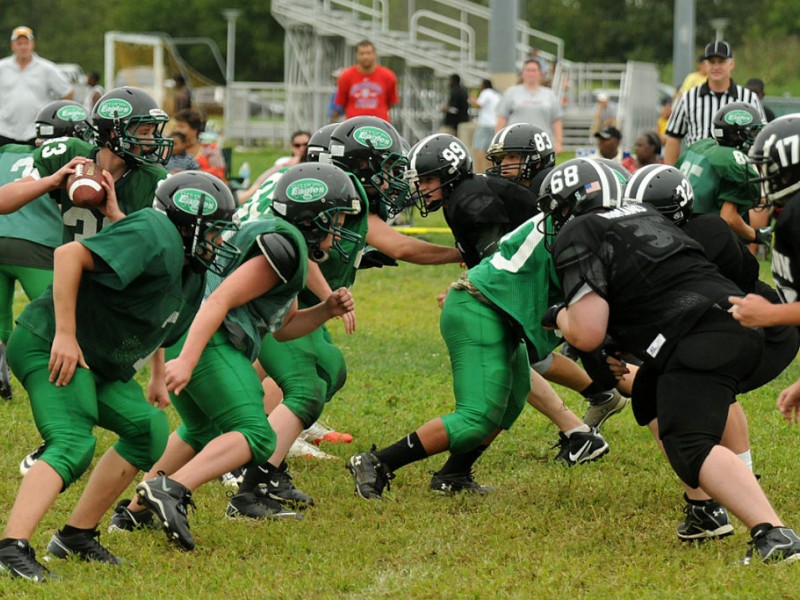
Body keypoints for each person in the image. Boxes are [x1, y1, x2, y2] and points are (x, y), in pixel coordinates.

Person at [539, 157, 800, 564]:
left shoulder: (581, 229)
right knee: (649, 394)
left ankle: (774, 533)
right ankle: (703, 512)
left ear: (569, 205)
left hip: (700, 335)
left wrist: (557, 316)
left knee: (691, 442)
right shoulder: (646, 215)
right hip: (725, 323)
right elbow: (653, 289)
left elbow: (587, 330)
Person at [0, 168, 238, 582]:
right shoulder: (154, 230)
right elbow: (68, 255)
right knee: (72, 442)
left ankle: (76, 535)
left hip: (97, 361)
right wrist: (66, 334)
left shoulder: (188, 269)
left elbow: (157, 321)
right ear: (189, 226)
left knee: (149, 430)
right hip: (50, 343)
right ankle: (10, 548)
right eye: (214, 231)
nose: (220, 242)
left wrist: (158, 376)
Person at [111, 163, 357, 551]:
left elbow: (283, 326)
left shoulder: (281, 240)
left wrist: (325, 309)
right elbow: (222, 300)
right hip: (207, 340)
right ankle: (171, 489)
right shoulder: (286, 246)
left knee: (200, 431)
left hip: (191, 335)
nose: (340, 229)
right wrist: (190, 359)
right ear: (314, 217)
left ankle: (135, 511)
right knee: (256, 435)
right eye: (337, 218)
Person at [399, 132, 612, 478]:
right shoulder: (464, 196)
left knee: (520, 367)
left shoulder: (469, 200)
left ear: (449, 173)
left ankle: (596, 407)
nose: (421, 189)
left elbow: (502, 262)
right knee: (518, 371)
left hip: (542, 275)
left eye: (428, 179)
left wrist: (476, 290)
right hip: (531, 275)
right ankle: (587, 415)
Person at [622, 164, 798, 541]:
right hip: (709, 328)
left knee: (708, 381)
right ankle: (704, 505)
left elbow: (733, 283)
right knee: (649, 395)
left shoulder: (706, 232)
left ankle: (741, 490)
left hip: (757, 325)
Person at [4, 87, 174, 475]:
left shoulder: (153, 181)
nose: (151, 141)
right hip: (69, 287)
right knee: (71, 402)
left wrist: (116, 215)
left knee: (121, 406)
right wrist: (51, 183)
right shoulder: (66, 154)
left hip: (117, 302)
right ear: (112, 133)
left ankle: (63, 434)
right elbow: (3, 199)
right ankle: (60, 437)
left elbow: (158, 272)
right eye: (143, 131)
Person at [0, 100, 91, 402]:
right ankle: (61, 386)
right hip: (37, 246)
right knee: (59, 322)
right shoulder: (77, 161)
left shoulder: (8, 152)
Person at [675, 102, 767, 245]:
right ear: (736, 135)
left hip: (678, 227)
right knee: (747, 263)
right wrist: (754, 235)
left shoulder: (701, 145)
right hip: (704, 235)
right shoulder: (732, 161)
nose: (756, 138)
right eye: (752, 132)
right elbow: (728, 217)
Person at [664, 41, 763, 165]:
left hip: (737, 171)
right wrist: (670, 173)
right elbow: (673, 138)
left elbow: (761, 137)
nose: (716, 67)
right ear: (705, 65)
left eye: (721, 61)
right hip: (698, 170)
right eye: (711, 62)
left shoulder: (748, 98)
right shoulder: (688, 97)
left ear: (732, 64)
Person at [0, 26, 73, 147]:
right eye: (19, 43)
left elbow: (67, 92)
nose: (23, 47)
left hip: (35, 131)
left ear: (32, 44)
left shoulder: (46, 68)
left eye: (26, 43)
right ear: (13, 45)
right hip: (4, 130)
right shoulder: (2, 67)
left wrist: (53, 116)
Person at [495, 59, 563, 154]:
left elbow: (556, 120)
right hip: (516, 142)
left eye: (534, 70)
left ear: (540, 73)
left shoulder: (549, 94)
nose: (531, 74)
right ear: (522, 73)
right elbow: (502, 118)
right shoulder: (511, 93)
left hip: (541, 143)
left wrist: (558, 142)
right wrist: (498, 141)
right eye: (528, 70)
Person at [332, 40, 399, 122]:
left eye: (368, 53)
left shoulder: (388, 76)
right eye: (362, 53)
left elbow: (391, 102)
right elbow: (340, 103)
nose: (365, 57)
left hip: (379, 124)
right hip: (354, 124)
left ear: (375, 55)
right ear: (356, 55)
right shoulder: (346, 77)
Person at [238, 130, 310, 203]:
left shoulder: (315, 165)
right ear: (292, 147)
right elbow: (265, 181)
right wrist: (286, 165)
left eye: (305, 145)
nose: (302, 149)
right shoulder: (283, 161)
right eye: (297, 145)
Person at [172, 108, 227, 182]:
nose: (177, 130)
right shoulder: (173, 149)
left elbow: (218, 174)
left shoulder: (210, 150)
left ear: (195, 129)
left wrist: (187, 175)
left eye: (181, 126)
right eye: (176, 126)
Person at [470, 79, 501, 173]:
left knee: (478, 148)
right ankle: (490, 171)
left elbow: (479, 105)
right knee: (490, 150)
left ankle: (479, 171)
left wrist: (473, 99)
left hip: (484, 124)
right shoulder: (496, 95)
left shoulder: (485, 93)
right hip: (494, 124)